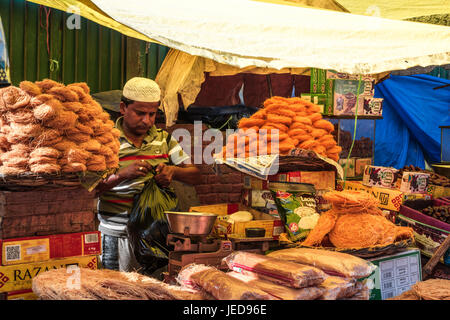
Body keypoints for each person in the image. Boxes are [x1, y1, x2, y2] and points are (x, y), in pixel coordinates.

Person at [95, 77, 200, 275]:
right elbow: (92, 189)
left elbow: (194, 175)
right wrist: (121, 175)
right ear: (123, 108)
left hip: (154, 237)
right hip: (116, 236)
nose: (147, 121)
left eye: (152, 114)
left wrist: (173, 172)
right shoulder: (107, 142)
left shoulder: (164, 140)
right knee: (116, 293)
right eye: (140, 113)